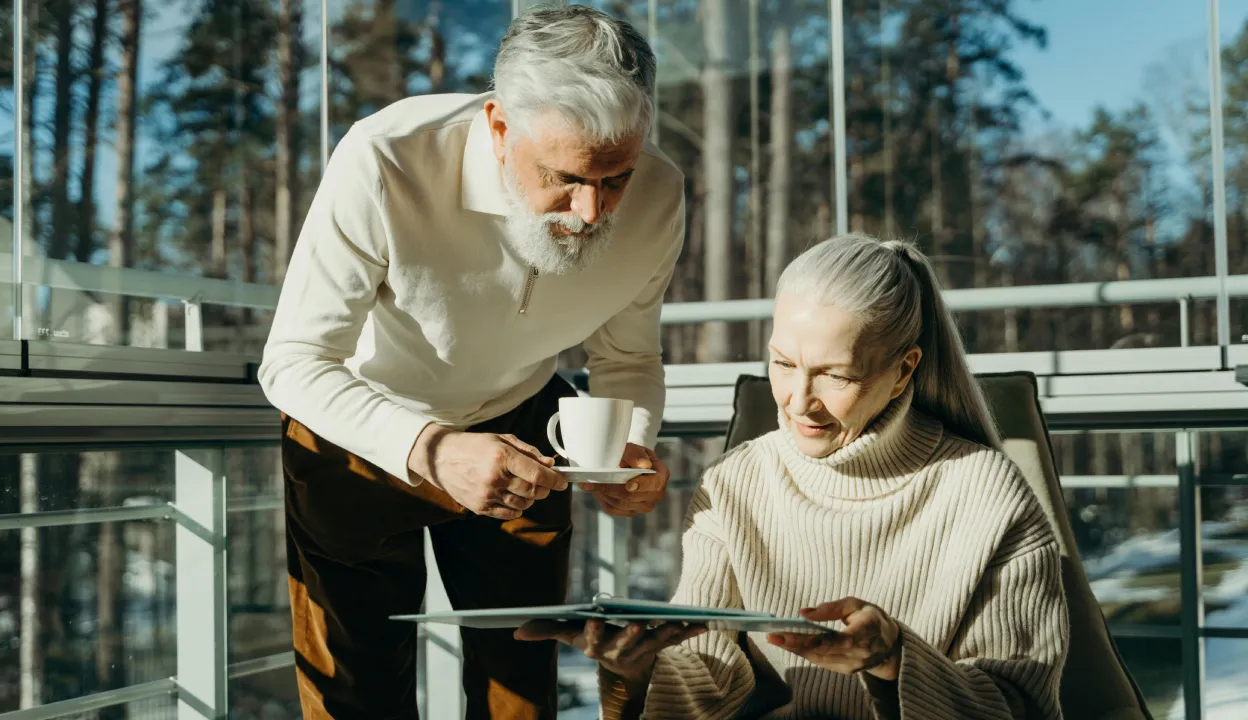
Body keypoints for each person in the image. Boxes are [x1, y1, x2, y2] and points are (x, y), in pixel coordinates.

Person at [257, 6, 684, 718]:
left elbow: (629, 355)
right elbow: (294, 360)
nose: (590, 212)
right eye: (564, 177)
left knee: (520, 695)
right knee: (353, 699)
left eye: (615, 180)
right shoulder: (385, 156)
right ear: (497, 126)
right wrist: (431, 447)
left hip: (525, 429)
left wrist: (633, 444)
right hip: (357, 434)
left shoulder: (662, 194)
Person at [520, 233, 1070, 719]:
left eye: (835, 375)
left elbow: (1019, 705)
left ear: (903, 371)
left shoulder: (987, 494)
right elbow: (709, 680)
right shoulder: (735, 483)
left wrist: (893, 659)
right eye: (782, 363)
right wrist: (636, 670)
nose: (798, 401)